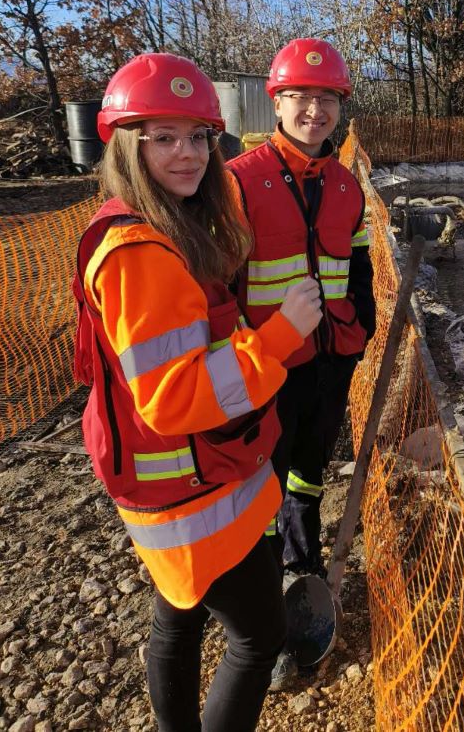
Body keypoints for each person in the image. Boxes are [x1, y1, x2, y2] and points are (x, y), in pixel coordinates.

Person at [72, 52, 322, 732]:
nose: (186, 154)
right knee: (255, 639)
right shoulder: (142, 255)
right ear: (127, 144)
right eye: (163, 137)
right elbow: (174, 397)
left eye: (197, 136)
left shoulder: (164, 226)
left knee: (176, 617)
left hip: (177, 483)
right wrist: (278, 335)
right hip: (193, 496)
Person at [227, 39, 376, 683]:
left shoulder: (346, 185)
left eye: (327, 99)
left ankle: (303, 558)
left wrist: (360, 330)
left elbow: (361, 262)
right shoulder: (238, 181)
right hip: (266, 362)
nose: (314, 110)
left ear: (340, 107)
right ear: (277, 99)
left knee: (310, 466)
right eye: (301, 97)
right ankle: (260, 593)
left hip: (330, 358)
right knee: (265, 474)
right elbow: (219, 283)